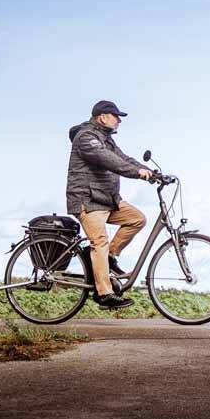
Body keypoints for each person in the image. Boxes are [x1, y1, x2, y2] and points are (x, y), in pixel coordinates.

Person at [66, 100, 151, 309]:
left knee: (137, 219)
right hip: (87, 199)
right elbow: (109, 161)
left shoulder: (106, 139)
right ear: (102, 117)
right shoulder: (86, 137)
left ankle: (110, 257)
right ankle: (104, 293)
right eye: (115, 115)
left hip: (106, 199)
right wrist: (136, 173)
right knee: (99, 242)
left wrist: (151, 173)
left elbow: (123, 158)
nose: (119, 120)